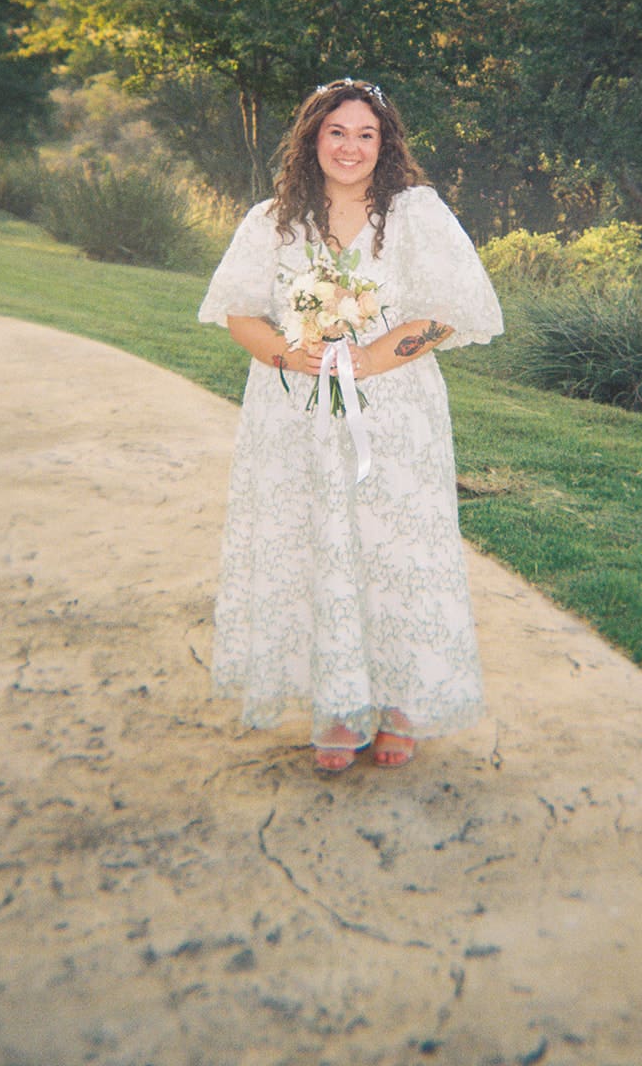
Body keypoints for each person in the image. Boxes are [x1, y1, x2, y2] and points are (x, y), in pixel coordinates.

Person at [198, 79, 503, 773]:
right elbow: (239, 312)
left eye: (366, 134)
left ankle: (400, 705)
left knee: (392, 548)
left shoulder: (414, 214)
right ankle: (337, 707)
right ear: (312, 138)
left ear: (385, 144)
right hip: (294, 410)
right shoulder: (273, 220)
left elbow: (447, 309)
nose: (350, 146)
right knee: (314, 543)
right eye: (336, 131)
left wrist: (368, 356)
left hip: (394, 409)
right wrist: (288, 353)